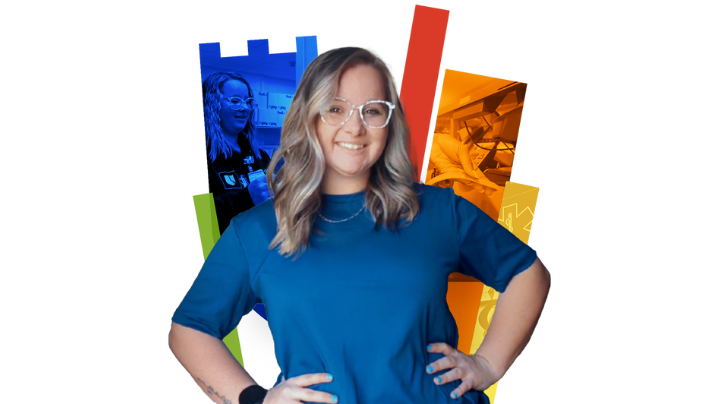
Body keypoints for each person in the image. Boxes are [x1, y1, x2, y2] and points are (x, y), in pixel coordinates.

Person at [170, 47, 551, 404]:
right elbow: (189, 330)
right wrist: (255, 398)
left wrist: (487, 363)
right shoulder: (256, 231)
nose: (355, 127)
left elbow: (527, 273)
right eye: (336, 109)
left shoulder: (439, 211)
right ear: (309, 117)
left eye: (372, 110)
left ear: (390, 121)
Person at [203, 72, 274, 234]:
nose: (245, 108)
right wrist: (246, 198)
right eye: (235, 101)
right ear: (212, 105)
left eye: (248, 101)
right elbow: (201, 220)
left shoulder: (260, 156)